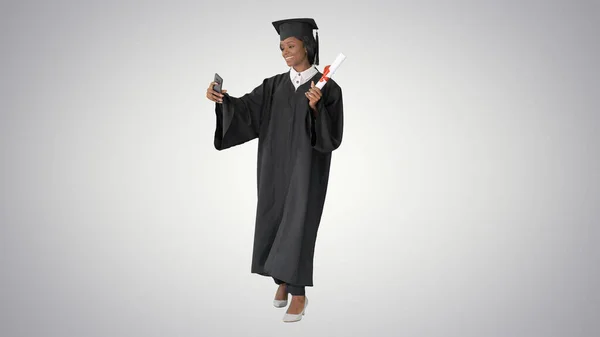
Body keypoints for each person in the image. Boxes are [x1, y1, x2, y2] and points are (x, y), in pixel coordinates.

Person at [205, 18, 343, 323]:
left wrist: (317, 109)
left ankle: (299, 293)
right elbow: (244, 112)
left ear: (307, 46)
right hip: (273, 166)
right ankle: (280, 279)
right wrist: (222, 100)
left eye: (291, 46)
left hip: (307, 169)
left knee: (299, 222)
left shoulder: (328, 88)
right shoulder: (272, 86)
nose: (285, 52)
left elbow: (331, 137)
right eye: (282, 47)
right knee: (274, 218)